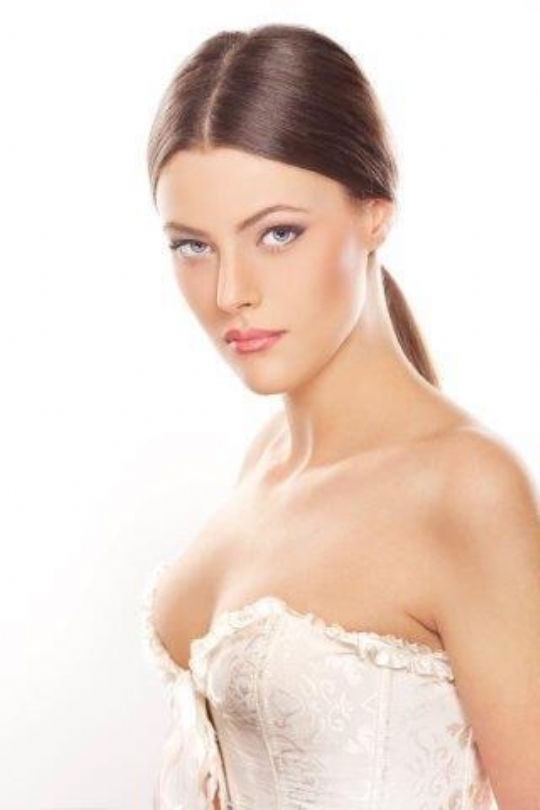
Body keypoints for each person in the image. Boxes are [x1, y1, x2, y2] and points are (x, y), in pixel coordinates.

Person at [140, 22, 540, 809]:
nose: (231, 292)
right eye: (193, 246)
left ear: (375, 215)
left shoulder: (466, 487)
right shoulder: (266, 461)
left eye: (277, 234)